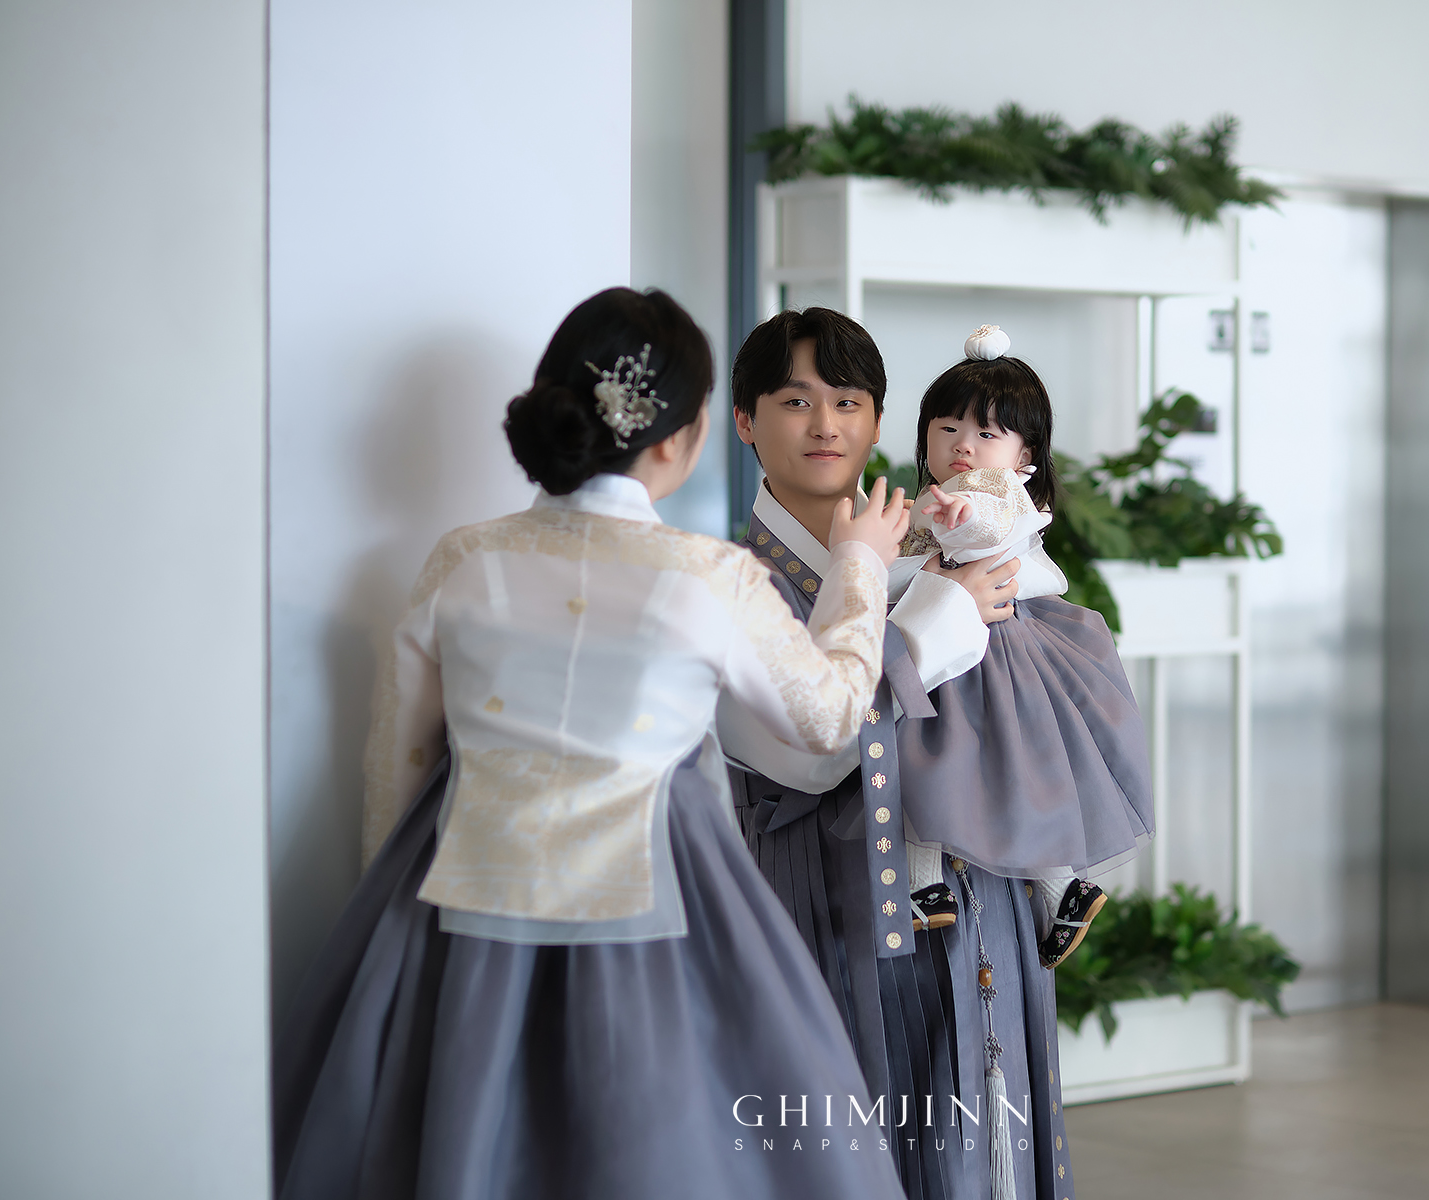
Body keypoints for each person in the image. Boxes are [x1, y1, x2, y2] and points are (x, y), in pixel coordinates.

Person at [272, 287, 914, 1200]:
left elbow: (399, 762)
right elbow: (832, 715)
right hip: (662, 897)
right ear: (686, 435)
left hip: (460, 895)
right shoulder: (711, 576)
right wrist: (860, 567)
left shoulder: (464, 559)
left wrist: (392, 914)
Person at [717, 307, 1090, 1200]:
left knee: (993, 1129)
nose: (825, 424)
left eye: (848, 402)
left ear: (879, 422)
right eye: (794, 401)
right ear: (744, 422)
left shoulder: (924, 543)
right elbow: (805, 752)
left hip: (987, 890)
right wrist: (936, 616)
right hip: (826, 906)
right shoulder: (731, 579)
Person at [899, 324, 1153, 967]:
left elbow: (987, 525)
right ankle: (1057, 888)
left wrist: (957, 521)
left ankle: (933, 885)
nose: (964, 445)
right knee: (992, 775)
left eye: (987, 433)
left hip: (985, 656)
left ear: (1024, 455)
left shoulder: (991, 496)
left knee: (932, 764)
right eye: (948, 427)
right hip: (955, 649)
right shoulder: (931, 502)